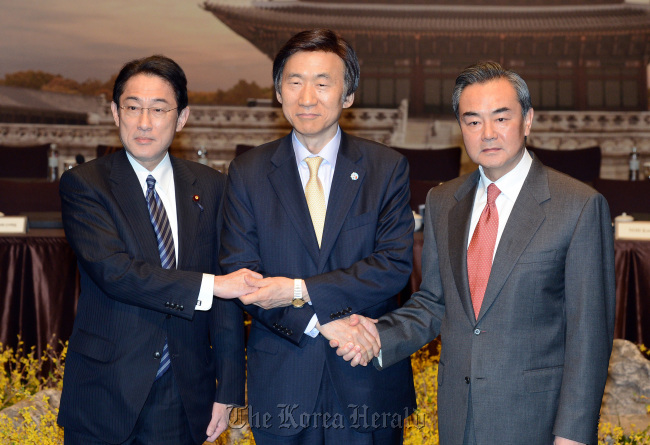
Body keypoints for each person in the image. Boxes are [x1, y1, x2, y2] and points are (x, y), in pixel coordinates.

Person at [334, 61, 616, 445]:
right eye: (472, 121)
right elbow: (435, 302)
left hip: (536, 421)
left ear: (528, 120)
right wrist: (379, 335)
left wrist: (574, 434)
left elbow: (590, 334)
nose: (487, 133)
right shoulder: (443, 201)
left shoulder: (579, 206)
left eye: (501, 118)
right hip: (457, 416)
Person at [219, 29, 416, 444]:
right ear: (278, 92)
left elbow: (393, 265)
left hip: (366, 377)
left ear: (348, 95)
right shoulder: (247, 173)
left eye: (323, 83)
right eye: (295, 82)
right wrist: (320, 322)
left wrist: (299, 289)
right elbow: (243, 277)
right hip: (284, 381)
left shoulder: (386, 168)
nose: (307, 97)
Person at [57, 55, 260, 445]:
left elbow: (229, 294)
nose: (144, 122)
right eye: (132, 108)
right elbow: (115, 272)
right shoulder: (85, 184)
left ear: (181, 117)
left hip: (183, 391)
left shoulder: (212, 186)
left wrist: (229, 388)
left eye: (159, 108)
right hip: (106, 387)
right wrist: (209, 286)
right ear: (115, 113)